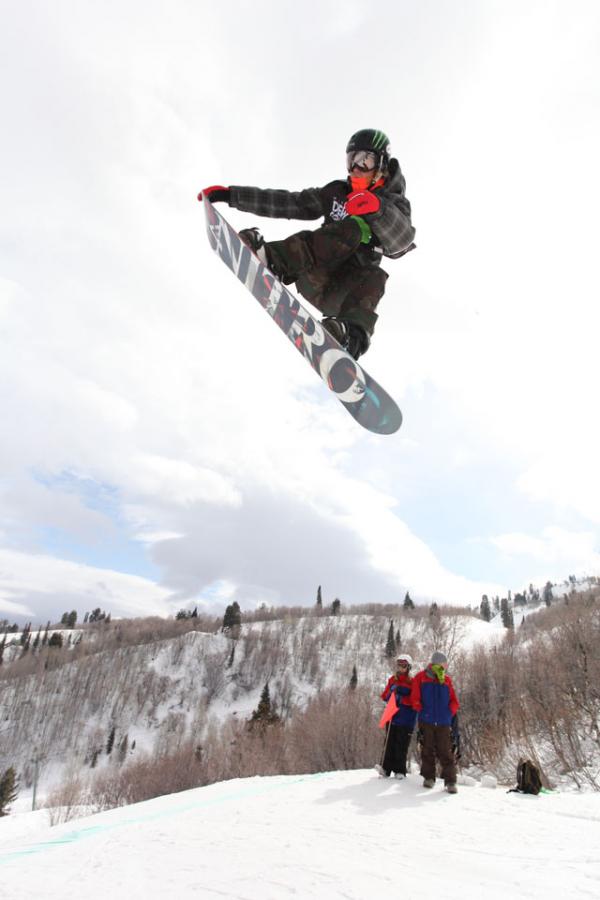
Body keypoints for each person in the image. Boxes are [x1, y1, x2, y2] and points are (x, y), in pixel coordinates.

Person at [201, 128, 416, 360]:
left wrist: (378, 209)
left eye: (365, 160)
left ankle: (348, 336)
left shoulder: (394, 204)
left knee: (375, 275)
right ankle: (272, 260)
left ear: (382, 164)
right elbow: (290, 203)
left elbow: (402, 241)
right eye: (351, 160)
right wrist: (232, 196)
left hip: (344, 296)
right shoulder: (337, 193)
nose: (356, 168)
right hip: (313, 276)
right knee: (345, 229)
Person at [410, 651, 460, 794]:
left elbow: (454, 702)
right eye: (444, 663)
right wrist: (421, 709)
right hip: (426, 721)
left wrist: (448, 713)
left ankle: (450, 782)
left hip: (444, 722)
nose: (445, 666)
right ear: (436, 663)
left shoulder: (446, 680)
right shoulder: (420, 677)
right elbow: (415, 698)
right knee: (427, 750)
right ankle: (429, 778)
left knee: (446, 751)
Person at [376, 653, 417, 779]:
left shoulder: (413, 681)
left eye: (403, 666)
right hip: (393, 716)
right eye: (399, 666)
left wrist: (403, 696)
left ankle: (400, 770)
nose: (400, 669)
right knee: (389, 742)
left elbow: (415, 700)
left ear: (408, 667)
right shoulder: (393, 680)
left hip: (406, 718)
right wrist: (391, 693)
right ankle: (386, 768)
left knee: (401, 744)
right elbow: (384, 696)